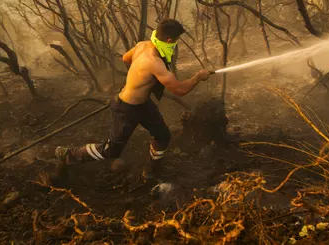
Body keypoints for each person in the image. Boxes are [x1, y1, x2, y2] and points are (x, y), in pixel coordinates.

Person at [53, 19, 211, 183]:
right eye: (176, 40)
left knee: (162, 135)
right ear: (170, 41)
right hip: (126, 109)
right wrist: (198, 77)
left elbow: (125, 58)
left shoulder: (142, 45)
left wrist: (137, 79)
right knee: (111, 151)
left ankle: (151, 172)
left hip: (143, 105)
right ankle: (67, 154)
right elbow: (179, 90)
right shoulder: (154, 62)